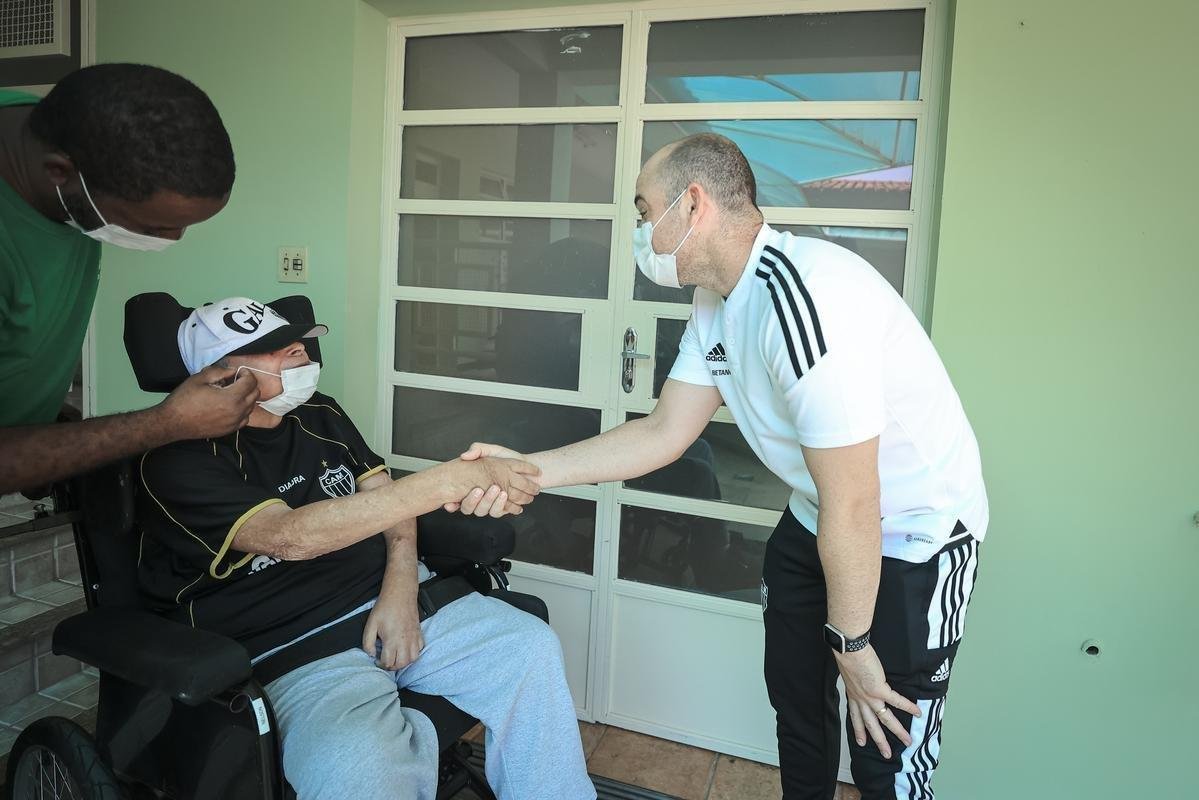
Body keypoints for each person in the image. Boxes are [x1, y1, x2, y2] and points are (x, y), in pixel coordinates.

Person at [454, 134, 988, 800]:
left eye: (645, 211)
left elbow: (856, 501)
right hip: (816, 517)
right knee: (800, 717)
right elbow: (662, 431)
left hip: (913, 535)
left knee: (886, 745)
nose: (640, 229)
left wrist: (851, 647)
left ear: (693, 203)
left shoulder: (806, 300)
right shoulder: (715, 300)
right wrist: (525, 470)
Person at [136, 296, 594, 800]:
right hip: (296, 648)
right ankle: (396, 745)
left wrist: (399, 590)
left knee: (528, 650)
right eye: (271, 348)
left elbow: (385, 499)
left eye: (293, 340)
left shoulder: (320, 413)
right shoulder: (173, 461)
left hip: (395, 601)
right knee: (361, 766)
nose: (298, 351)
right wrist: (452, 480)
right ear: (218, 378)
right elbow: (289, 537)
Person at [0, 64, 257, 495]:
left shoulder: (40, 126)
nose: (173, 240)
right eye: (152, 227)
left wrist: (42, 426)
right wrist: (165, 424)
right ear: (59, 172)